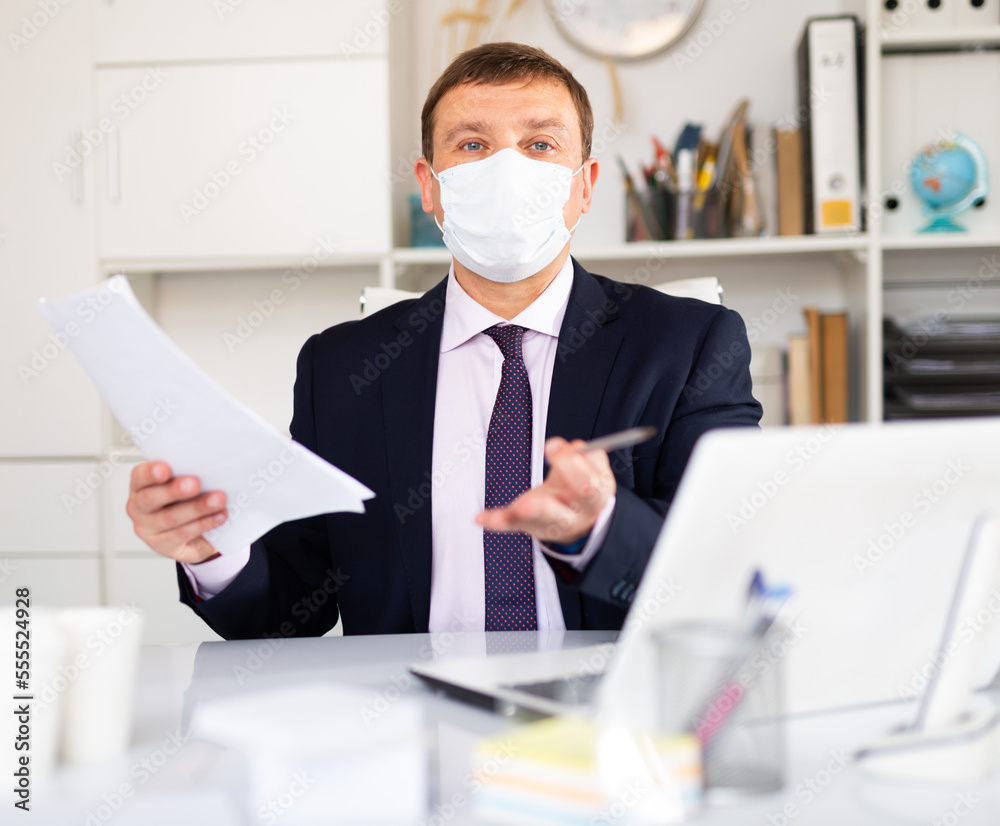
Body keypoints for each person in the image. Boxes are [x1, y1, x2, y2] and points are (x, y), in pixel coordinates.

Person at [126, 42, 762, 639]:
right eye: (473, 144)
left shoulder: (690, 345)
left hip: (606, 707)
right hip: (404, 708)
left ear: (585, 185)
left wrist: (601, 530)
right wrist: (212, 549)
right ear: (429, 185)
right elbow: (294, 609)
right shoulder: (340, 367)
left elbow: (728, 560)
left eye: (540, 144)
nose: (506, 169)